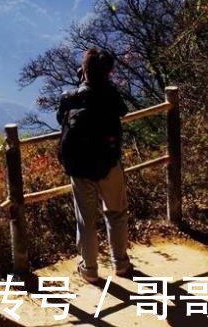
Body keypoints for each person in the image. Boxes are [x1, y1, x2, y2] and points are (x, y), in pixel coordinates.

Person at [56, 48, 131, 283]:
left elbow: (61, 119)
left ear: (85, 69)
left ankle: (89, 269)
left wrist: (82, 84)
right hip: (109, 163)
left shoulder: (70, 98)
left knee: (86, 220)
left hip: (79, 167)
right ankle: (120, 263)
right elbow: (123, 111)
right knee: (116, 212)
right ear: (108, 72)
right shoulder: (111, 95)